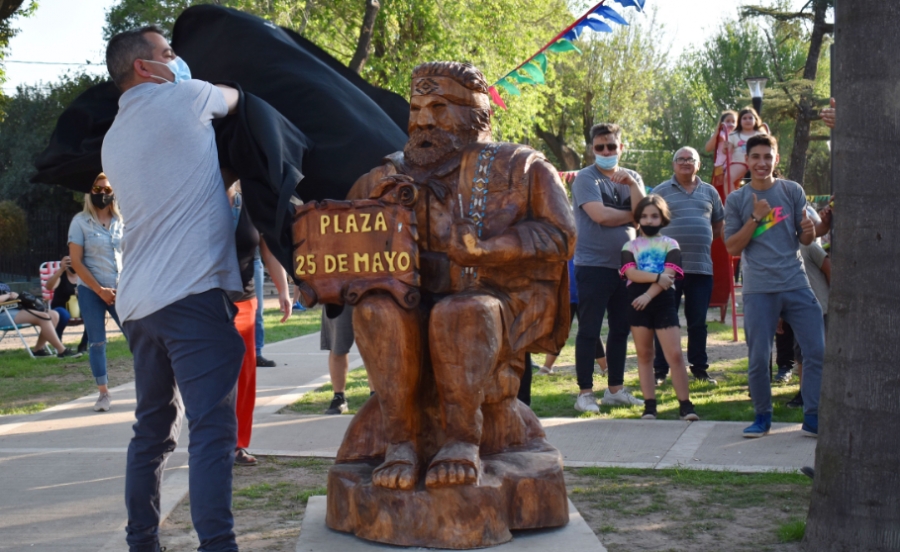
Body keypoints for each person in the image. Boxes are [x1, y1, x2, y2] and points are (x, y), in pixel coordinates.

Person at [343, 61, 575, 490]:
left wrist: (488, 250)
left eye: (440, 106)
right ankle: (400, 443)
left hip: (492, 298)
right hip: (409, 299)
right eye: (416, 108)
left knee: (461, 312)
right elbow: (342, 238)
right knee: (377, 310)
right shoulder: (384, 175)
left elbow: (560, 234)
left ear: (477, 113)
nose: (424, 120)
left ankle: (462, 441)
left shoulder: (519, 167)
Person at [101, 26, 244, 552]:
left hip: (139, 305)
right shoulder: (185, 97)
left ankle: (142, 542)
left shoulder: (113, 138)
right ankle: (218, 545)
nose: (177, 59)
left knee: (152, 433)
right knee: (210, 432)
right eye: (168, 53)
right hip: (190, 297)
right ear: (144, 67)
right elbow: (238, 98)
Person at [724, 134, 823, 439]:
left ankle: (813, 416)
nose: (762, 163)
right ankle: (762, 417)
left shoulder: (792, 190)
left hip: (796, 283)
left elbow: (804, 239)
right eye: (756, 157)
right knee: (757, 358)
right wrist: (755, 218)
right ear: (748, 161)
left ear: (775, 160)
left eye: (768, 157)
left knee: (817, 351)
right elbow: (731, 247)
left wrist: (808, 231)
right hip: (759, 289)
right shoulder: (737, 200)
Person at [570, 123, 646, 413]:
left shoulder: (632, 177)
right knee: (589, 330)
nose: (605, 151)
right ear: (592, 149)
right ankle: (585, 394)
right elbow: (600, 215)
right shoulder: (585, 179)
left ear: (620, 147)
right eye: (600, 147)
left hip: (626, 267)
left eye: (611, 146)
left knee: (620, 330)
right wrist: (632, 217)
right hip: (592, 265)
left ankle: (615, 389)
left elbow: (643, 216)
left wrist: (635, 188)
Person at [227, 180, 292, 466]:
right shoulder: (200, 200)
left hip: (244, 300)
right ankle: (214, 442)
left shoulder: (250, 203)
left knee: (245, 377)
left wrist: (284, 290)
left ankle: (238, 445)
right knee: (212, 378)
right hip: (207, 301)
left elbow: (267, 250)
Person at [621, 195, 699, 421]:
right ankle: (649, 406)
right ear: (638, 219)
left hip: (662, 301)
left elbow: (671, 275)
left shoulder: (670, 244)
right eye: (644, 216)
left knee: (674, 354)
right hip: (636, 302)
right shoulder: (630, 246)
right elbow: (630, 273)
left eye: (654, 216)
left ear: (662, 218)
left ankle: (686, 405)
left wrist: (648, 293)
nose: (649, 220)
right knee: (644, 354)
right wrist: (656, 277)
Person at [651, 147, 724, 386]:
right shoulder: (660, 191)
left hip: (701, 268)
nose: (685, 162)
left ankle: (700, 370)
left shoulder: (710, 192)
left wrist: (696, 237)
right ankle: (660, 371)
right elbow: (649, 225)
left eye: (690, 159)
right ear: (673, 164)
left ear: (698, 164)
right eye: (680, 159)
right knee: (664, 321)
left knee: (698, 322)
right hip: (667, 270)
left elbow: (717, 227)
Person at [68, 173, 125, 412]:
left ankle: (150, 388)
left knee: (139, 337)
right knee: (97, 342)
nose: (102, 194)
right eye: (97, 189)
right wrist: (99, 290)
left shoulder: (122, 222)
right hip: (91, 290)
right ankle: (103, 393)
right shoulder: (80, 222)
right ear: (90, 192)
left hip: (121, 288)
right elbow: (76, 262)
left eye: (107, 189)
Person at [537, 258, 607, 376]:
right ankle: (547, 367)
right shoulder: (564, 249)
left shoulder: (585, 247)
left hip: (585, 295)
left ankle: (605, 368)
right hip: (566, 296)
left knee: (591, 331)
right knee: (560, 332)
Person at [786, 239, 831, 408]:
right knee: (801, 355)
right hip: (799, 311)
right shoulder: (781, 251)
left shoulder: (810, 247)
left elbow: (829, 269)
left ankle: (823, 393)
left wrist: (832, 299)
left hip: (821, 308)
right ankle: (805, 394)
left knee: (819, 353)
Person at [0, 282, 82, 358]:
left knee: (53, 315)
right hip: (3, 313)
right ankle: (62, 351)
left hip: (14, 309)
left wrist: (15, 295)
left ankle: (38, 350)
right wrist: (8, 295)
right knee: (44, 317)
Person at [44, 255, 88, 352]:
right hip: (60, 308)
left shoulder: (84, 277)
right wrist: (61, 269)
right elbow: (49, 287)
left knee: (93, 314)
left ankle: (83, 345)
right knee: (63, 314)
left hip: (79, 308)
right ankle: (59, 346)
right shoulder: (61, 276)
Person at [321, 305, 355, 415]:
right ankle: (339, 398)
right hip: (338, 293)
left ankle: (375, 397)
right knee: (337, 347)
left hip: (372, 291)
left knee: (374, 349)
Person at [726, 106, 768, 190]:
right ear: (739, 121)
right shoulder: (733, 135)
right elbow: (727, 150)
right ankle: (732, 200)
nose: (747, 120)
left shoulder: (760, 134)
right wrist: (725, 147)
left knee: (764, 179)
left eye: (750, 118)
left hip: (756, 162)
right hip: (739, 162)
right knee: (727, 178)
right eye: (744, 118)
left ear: (755, 120)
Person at [705, 110, 737, 202]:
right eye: (728, 121)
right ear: (722, 123)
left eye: (733, 121)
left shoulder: (738, 137)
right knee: (720, 193)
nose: (731, 123)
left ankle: (734, 204)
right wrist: (717, 132)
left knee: (734, 188)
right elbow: (708, 148)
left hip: (733, 168)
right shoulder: (722, 135)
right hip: (721, 169)